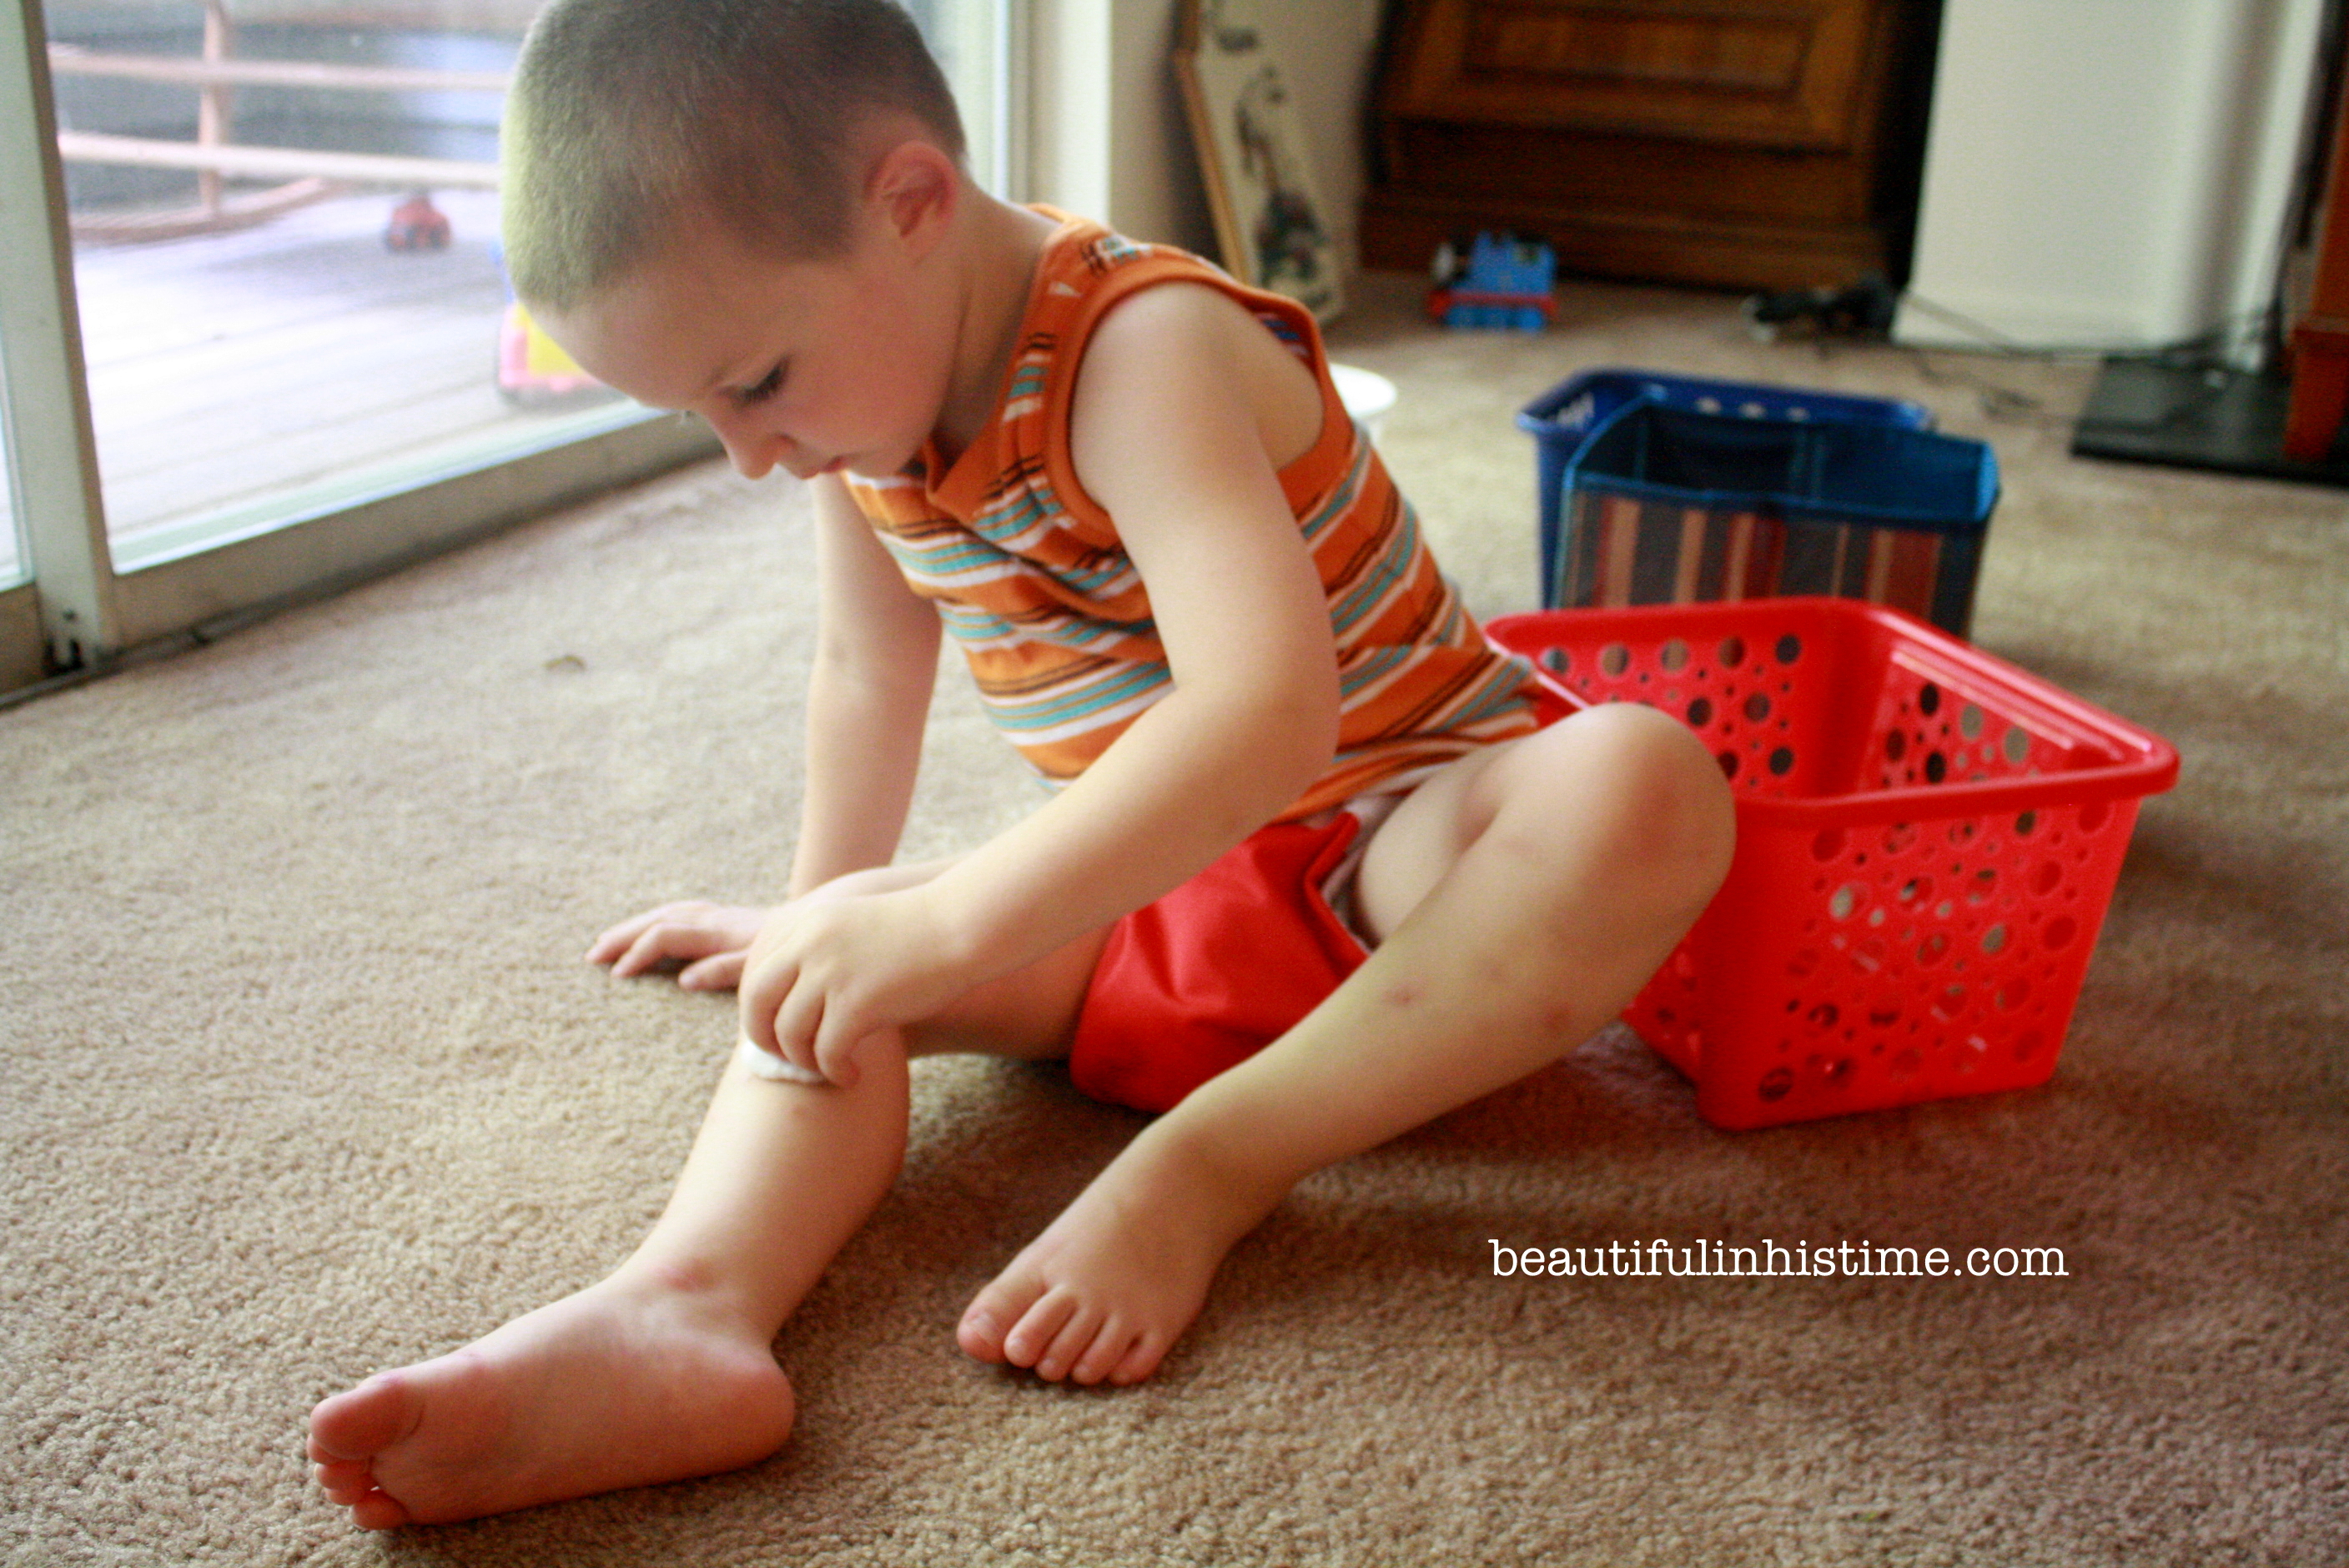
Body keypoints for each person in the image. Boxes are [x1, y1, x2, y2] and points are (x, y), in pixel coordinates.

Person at [306, 0, 1735, 1530]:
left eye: (756, 383)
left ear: (911, 203)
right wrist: (827, 917)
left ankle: (1211, 1164)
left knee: (1640, 780)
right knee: (839, 987)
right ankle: (681, 1310)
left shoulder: (1144, 349)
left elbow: (1269, 718)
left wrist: (943, 923)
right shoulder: (864, 419)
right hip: (1150, 905)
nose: (748, 453)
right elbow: (864, 672)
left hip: (1405, 874)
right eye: (704, 413)